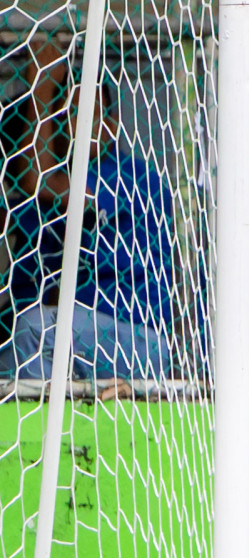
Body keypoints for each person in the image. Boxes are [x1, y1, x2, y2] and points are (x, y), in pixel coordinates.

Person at [7, 35, 175, 381]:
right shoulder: (50, 189)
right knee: (22, 327)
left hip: (137, 337)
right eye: (68, 115)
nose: (78, 126)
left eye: (89, 116)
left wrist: (41, 86)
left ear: (112, 127)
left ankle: (37, 431)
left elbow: (39, 184)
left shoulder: (128, 174)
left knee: (34, 330)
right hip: (84, 331)